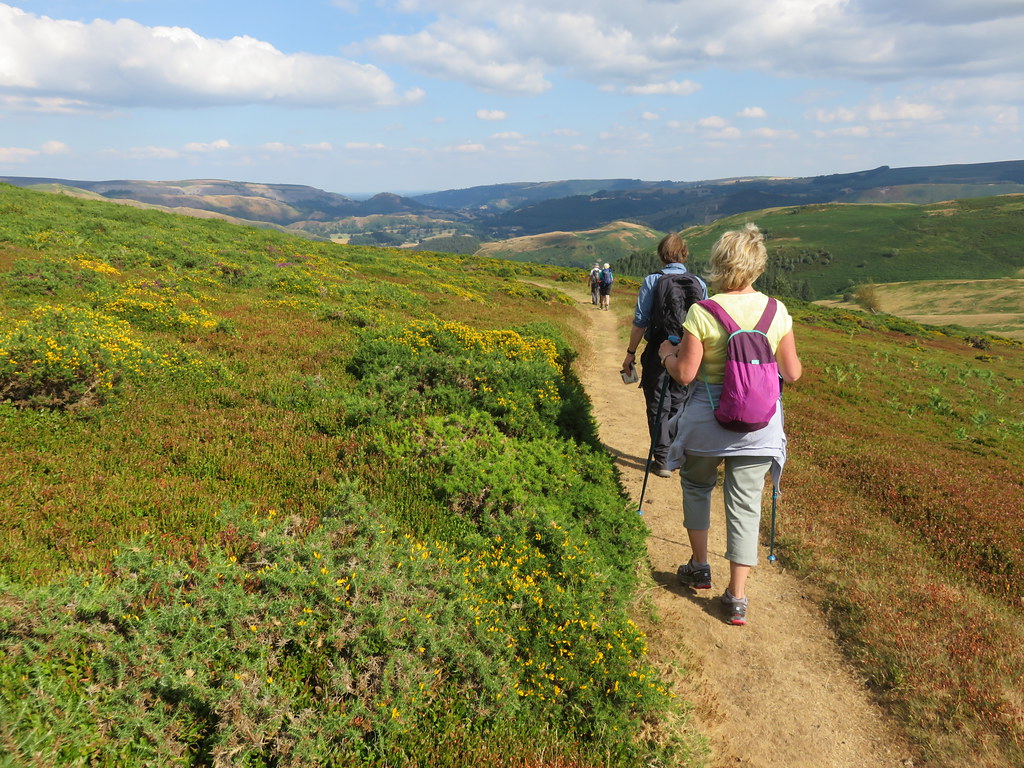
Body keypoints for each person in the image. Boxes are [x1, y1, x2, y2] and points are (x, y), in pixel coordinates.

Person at [658, 223, 802, 626]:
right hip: (760, 428)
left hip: (707, 424)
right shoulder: (776, 311)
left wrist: (666, 355)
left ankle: (700, 566)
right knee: (745, 504)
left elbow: (685, 374)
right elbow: (792, 373)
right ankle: (737, 597)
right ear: (758, 265)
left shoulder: (703, 312)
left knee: (697, 487)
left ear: (720, 264)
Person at [621, 233, 707, 477]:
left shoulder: (652, 281)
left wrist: (630, 353)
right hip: (687, 349)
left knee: (658, 402)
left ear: (661, 255)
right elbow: (706, 323)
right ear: (684, 254)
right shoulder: (699, 283)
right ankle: (674, 455)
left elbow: (640, 321)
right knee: (679, 401)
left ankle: (662, 458)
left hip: (659, 348)